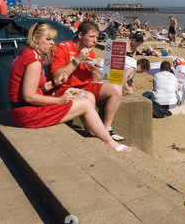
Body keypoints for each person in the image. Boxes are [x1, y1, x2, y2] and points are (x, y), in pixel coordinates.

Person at [7, 22, 131, 153]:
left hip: (22, 110)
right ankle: (110, 142)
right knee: (85, 102)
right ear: (35, 39)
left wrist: (54, 83)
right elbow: (29, 96)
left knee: (109, 91)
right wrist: (59, 100)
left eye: (53, 39)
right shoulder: (34, 61)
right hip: (27, 114)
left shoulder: (27, 54)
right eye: (48, 39)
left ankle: (104, 131)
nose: (52, 44)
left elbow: (36, 89)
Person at [50, 21, 126, 141]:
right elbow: (56, 76)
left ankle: (105, 129)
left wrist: (93, 70)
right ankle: (92, 131)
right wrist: (78, 59)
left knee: (116, 89)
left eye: (96, 37)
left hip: (85, 86)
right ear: (80, 35)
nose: (95, 40)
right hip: (65, 88)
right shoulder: (62, 48)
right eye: (91, 37)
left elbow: (97, 80)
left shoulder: (89, 51)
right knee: (89, 97)